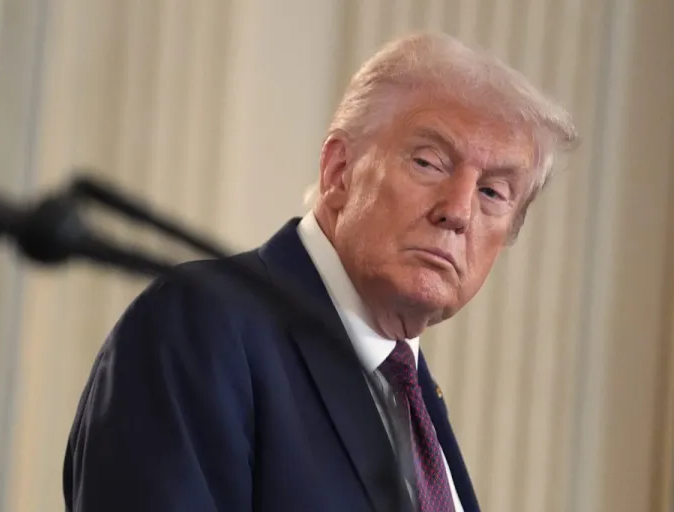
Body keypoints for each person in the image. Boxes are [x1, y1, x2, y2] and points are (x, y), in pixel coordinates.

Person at [63, 31, 577, 512]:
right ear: (339, 172)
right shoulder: (203, 324)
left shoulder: (413, 398)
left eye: (492, 192)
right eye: (429, 162)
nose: (459, 210)